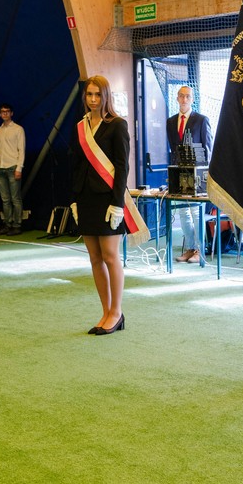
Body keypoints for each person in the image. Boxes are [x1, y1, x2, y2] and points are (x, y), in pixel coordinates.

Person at [70, 76, 140, 335]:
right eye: (89, 94)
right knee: (95, 258)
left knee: (110, 256)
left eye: (98, 94)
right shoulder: (81, 126)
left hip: (108, 199)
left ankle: (117, 312)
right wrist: (74, 198)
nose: (93, 99)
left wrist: (117, 204)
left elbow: (122, 167)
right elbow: (75, 164)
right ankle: (105, 311)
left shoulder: (117, 124)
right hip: (86, 198)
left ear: (106, 96)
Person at [166, 84, 213, 263]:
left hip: (197, 173)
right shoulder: (171, 121)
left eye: (187, 96)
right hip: (179, 173)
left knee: (196, 212)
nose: (184, 99)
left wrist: (205, 175)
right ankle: (190, 248)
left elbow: (208, 149)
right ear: (177, 98)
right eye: (181, 96)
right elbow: (173, 149)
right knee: (183, 212)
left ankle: (200, 250)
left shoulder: (201, 120)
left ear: (192, 99)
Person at [0, 104, 25, 235]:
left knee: (15, 198)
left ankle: (17, 225)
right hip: (0, 167)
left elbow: (21, 150)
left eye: (7, 111)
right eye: (2, 112)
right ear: (0, 114)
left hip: (12, 166)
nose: (5, 113)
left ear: (11, 113)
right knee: (5, 199)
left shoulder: (18, 129)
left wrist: (19, 168)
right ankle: (7, 224)